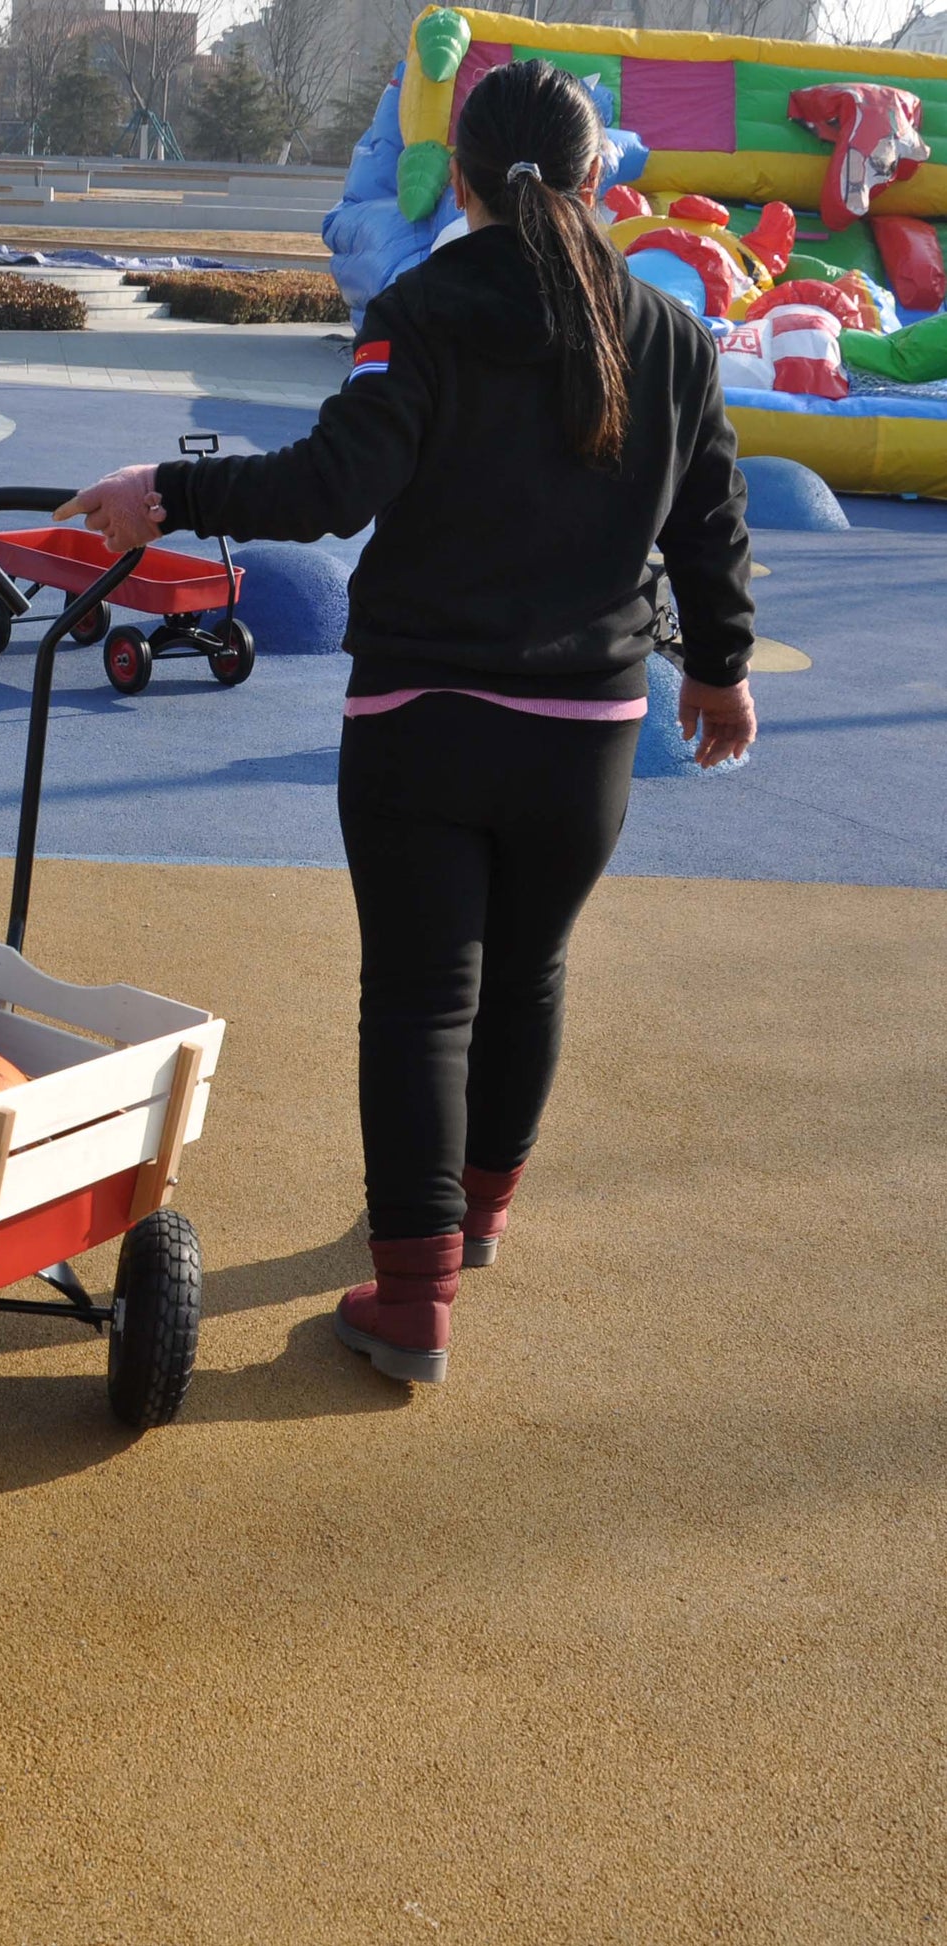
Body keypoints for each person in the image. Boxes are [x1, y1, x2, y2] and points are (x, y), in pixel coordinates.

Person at [56, 59, 757, 1386]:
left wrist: (166, 487)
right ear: (599, 178)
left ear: (462, 182)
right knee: (527, 971)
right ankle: (478, 1216)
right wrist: (717, 669)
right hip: (588, 728)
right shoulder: (666, 330)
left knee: (424, 997)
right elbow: (707, 517)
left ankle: (410, 1297)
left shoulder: (422, 306)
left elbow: (335, 482)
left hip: (421, 718)